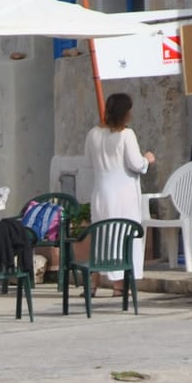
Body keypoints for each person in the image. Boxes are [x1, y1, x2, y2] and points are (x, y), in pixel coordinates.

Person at [81, 92, 155, 293]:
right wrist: (147, 159)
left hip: (101, 193)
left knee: (102, 236)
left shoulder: (93, 134)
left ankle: (93, 283)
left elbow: (87, 163)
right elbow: (136, 163)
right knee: (124, 236)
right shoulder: (126, 135)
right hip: (124, 195)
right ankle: (119, 285)